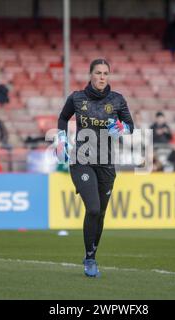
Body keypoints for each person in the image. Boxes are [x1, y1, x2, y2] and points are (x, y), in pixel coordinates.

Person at [56, 59, 134, 278]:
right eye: (98, 73)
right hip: (81, 160)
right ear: (90, 74)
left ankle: (91, 254)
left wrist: (121, 127)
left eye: (106, 73)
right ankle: (90, 260)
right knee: (92, 208)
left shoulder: (117, 100)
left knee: (100, 213)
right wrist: (61, 138)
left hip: (107, 164)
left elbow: (131, 127)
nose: (102, 77)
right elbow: (63, 118)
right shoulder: (77, 98)